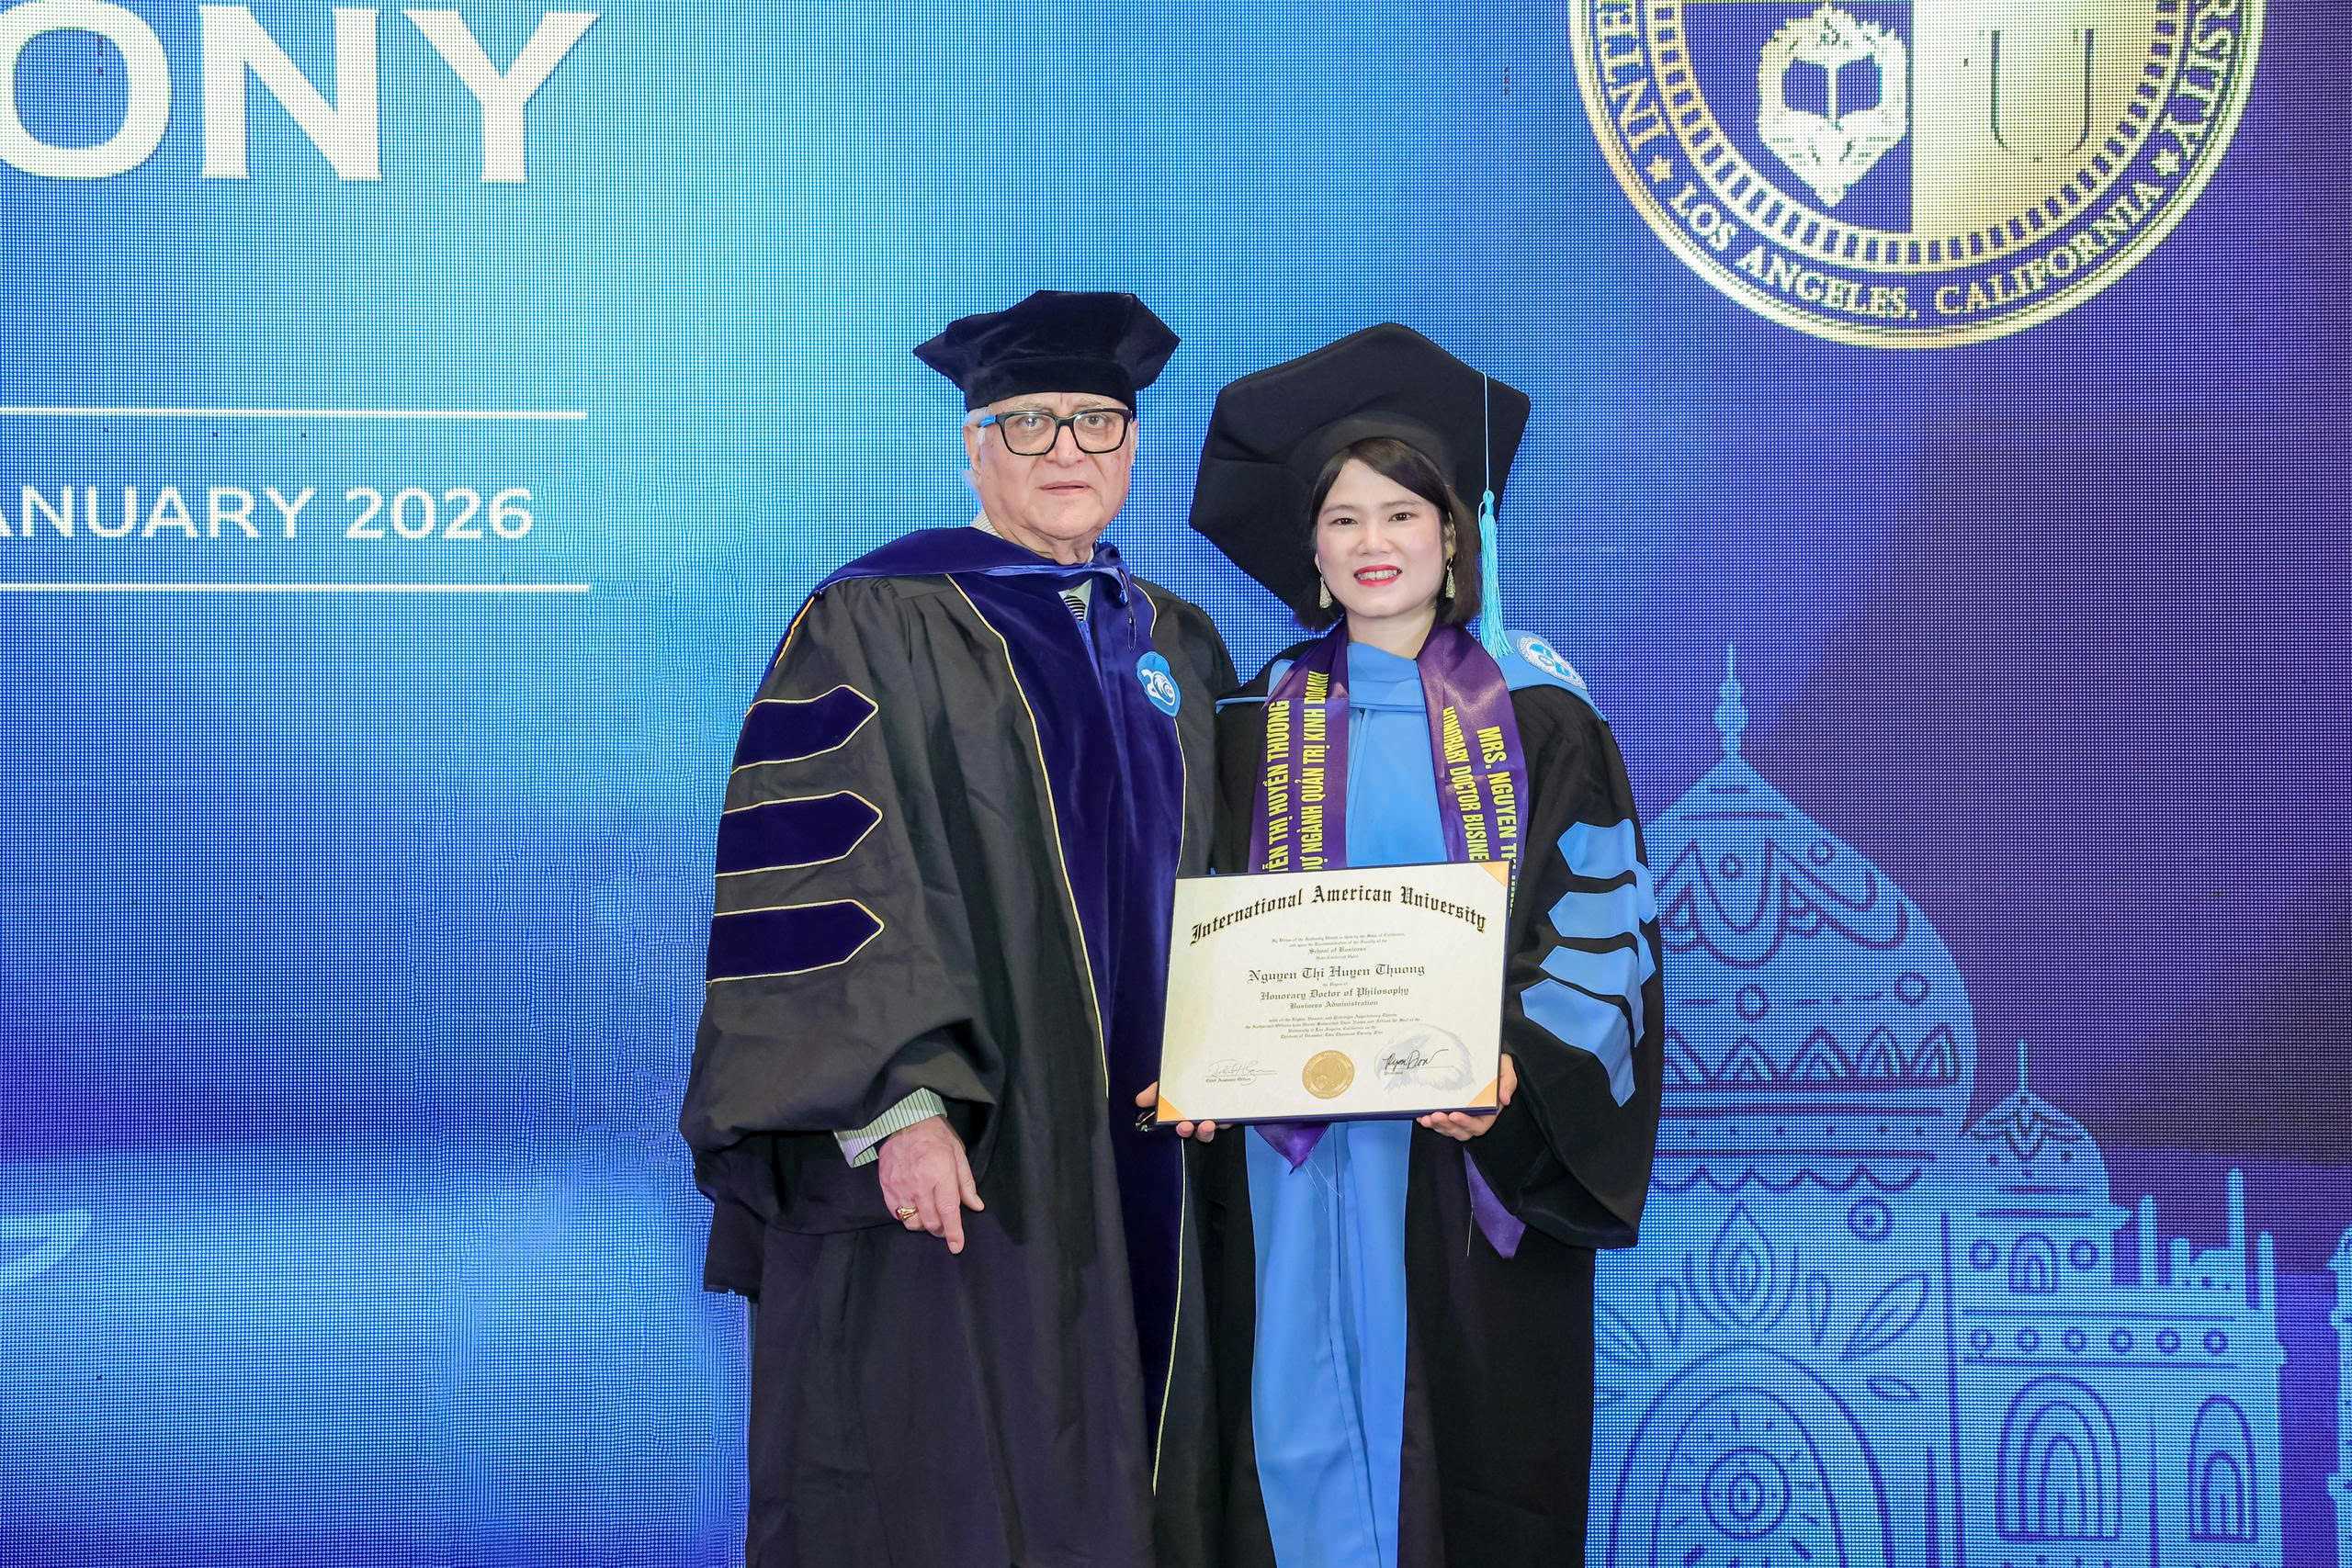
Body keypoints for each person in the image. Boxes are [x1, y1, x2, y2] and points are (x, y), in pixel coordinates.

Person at [678, 290, 1235, 1568]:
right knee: (950, 1470)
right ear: (973, 447)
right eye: (1030, 423)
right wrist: (897, 1111)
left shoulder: (1178, 644)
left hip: (1150, 1142)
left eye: (1096, 422)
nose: (1066, 450)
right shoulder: (878, 619)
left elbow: (1233, 883)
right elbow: (823, 878)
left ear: (1134, 446)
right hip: (976, 1144)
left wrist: (1236, 1054)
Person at [1160, 323, 1665, 1567]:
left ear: (1454, 532)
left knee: (1466, 1451)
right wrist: (1198, 1056)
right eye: (1343, 519)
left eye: (1401, 513)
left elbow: (1601, 927)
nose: (1373, 542)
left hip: (1464, 1149)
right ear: (1311, 550)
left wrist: (1515, 1067)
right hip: (1293, 1161)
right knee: (1287, 1425)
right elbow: (1201, 911)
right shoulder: (1249, 718)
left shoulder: (1539, 711)